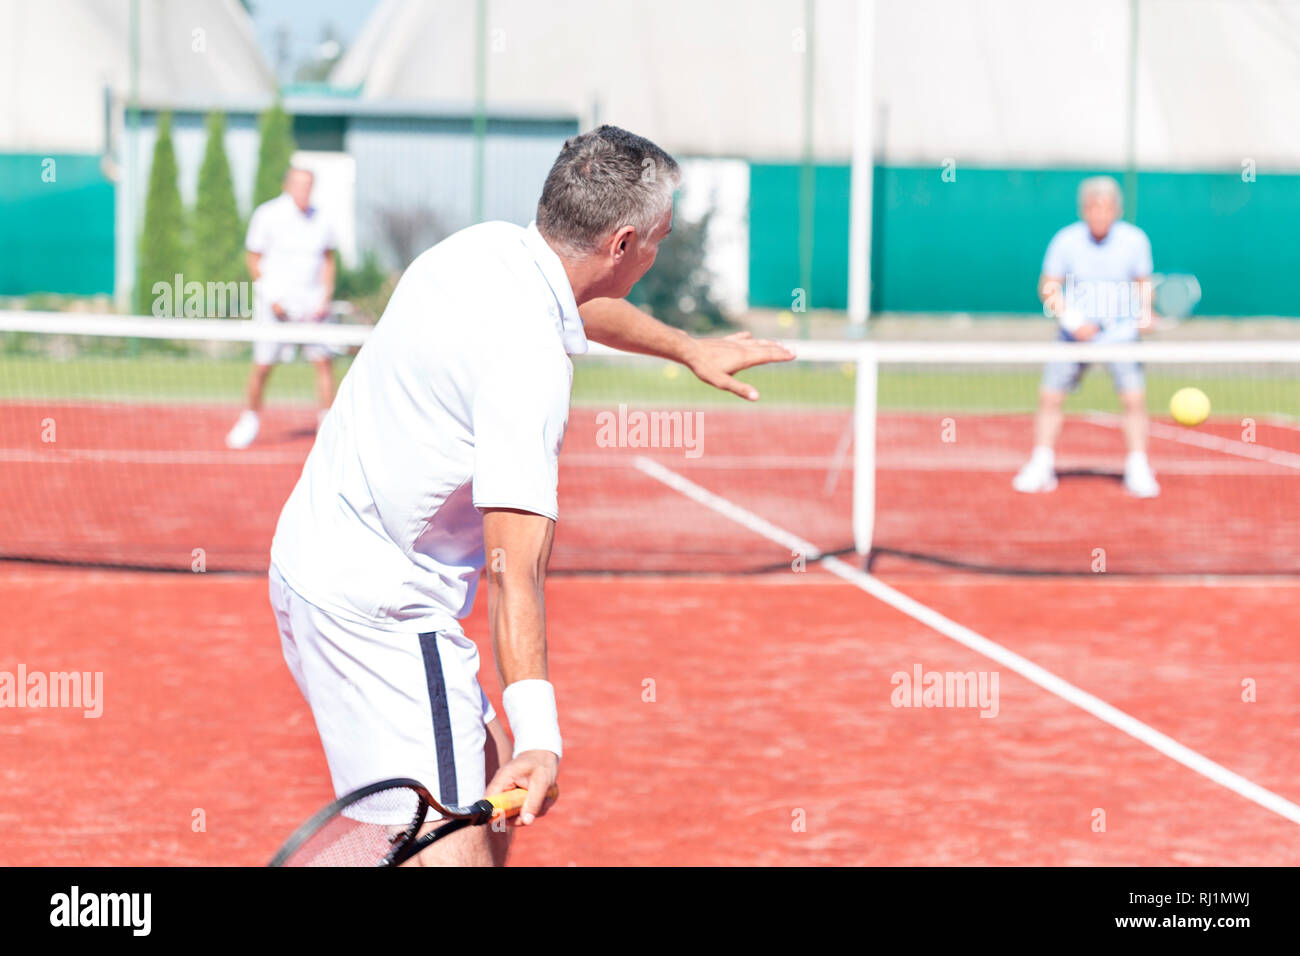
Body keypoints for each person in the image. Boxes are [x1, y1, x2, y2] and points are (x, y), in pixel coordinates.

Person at [266, 126, 793, 866]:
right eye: (658, 240)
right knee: (454, 846)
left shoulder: (486, 251)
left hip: (313, 560)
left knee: (488, 798)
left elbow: (583, 302)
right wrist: (544, 736)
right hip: (379, 615)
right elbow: (517, 571)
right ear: (622, 243)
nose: (658, 253)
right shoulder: (529, 367)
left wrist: (688, 346)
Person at [1012, 176, 1160, 498]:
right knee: (1050, 397)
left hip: (1122, 337)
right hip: (1072, 338)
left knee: (1133, 400)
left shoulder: (1135, 240)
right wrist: (1073, 321)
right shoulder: (1065, 240)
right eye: (1094, 207)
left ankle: (1138, 467)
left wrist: (1145, 312)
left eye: (1107, 208)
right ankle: (1041, 464)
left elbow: (1143, 284)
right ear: (1083, 210)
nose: (1100, 214)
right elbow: (1048, 287)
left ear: (1117, 210)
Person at [225, 167, 338, 450]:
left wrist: (324, 296)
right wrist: (272, 298)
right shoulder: (267, 215)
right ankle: (249, 420)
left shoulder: (322, 218)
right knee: (263, 366)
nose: (304, 190)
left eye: (308, 185)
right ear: (288, 186)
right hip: (274, 307)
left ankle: (330, 429)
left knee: (323, 363)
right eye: (299, 185)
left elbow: (328, 259)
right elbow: (253, 258)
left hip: (313, 307)